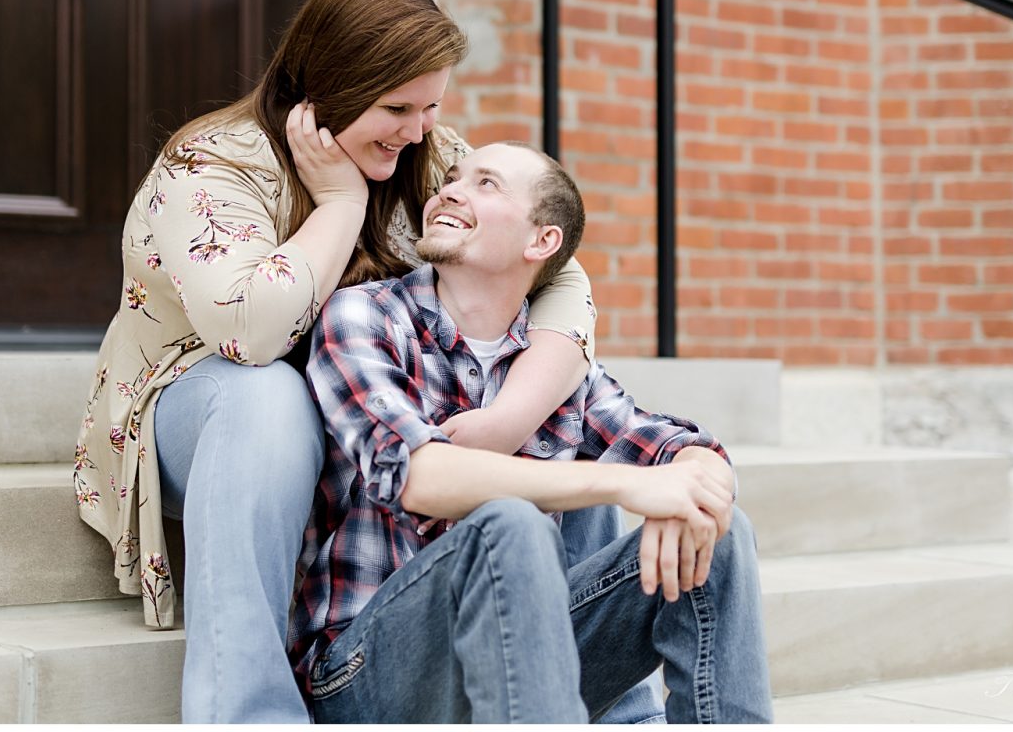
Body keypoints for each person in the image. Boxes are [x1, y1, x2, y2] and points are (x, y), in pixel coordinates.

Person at [73, 0, 605, 723]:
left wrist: (510, 417)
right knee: (271, 397)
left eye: (432, 106)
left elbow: (553, 273)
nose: (421, 130)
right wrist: (342, 203)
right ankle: (249, 713)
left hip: (360, 411)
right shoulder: (211, 167)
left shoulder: (428, 154)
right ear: (325, 88)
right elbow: (254, 334)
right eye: (398, 107)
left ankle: (601, 696)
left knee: (559, 383)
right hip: (213, 412)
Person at [290, 142, 774, 723]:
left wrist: (699, 479)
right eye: (452, 178)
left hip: (526, 662)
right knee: (510, 526)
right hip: (367, 670)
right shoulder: (365, 317)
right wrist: (617, 484)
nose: (449, 190)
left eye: (486, 184)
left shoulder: (556, 371)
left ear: (541, 241)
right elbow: (416, 475)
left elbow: (688, 448)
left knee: (715, 528)